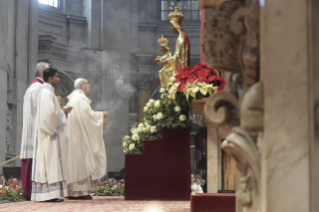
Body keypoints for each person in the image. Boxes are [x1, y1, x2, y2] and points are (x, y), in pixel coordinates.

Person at [31, 68, 72, 202]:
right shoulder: (46, 94)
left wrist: (60, 110)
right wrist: (62, 112)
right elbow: (49, 116)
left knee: (52, 162)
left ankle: (51, 194)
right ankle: (47, 195)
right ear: (50, 78)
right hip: (48, 137)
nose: (59, 79)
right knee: (49, 162)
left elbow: (51, 113)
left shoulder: (49, 93)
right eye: (57, 77)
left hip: (51, 136)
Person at [66, 78, 108, 200]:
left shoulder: (73, 99)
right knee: (83, 161)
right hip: (81, 137)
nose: (89, 85)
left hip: (75, 136)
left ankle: (73, 191)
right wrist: (101, 115)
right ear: (81, 85)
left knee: (76, 162)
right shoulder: (80, 98)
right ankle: (81, 191)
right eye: (87, 83)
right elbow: (88, 116)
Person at [20, 62, 49, 200]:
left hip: (30, 128)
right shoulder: (40, 88)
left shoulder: (32, 87)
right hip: (37, 129)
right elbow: (43, 109)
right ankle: (38, 192)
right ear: (43, 73)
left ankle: (29, 191)